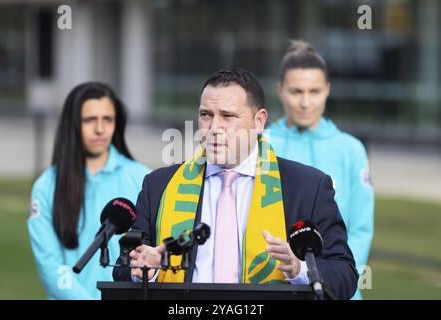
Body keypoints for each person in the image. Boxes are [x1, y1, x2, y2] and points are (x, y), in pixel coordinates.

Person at [113, 69, 358, 300]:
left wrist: (300, 269)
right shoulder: (158, 186)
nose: (214, 128)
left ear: (259, 121)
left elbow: (344, 276)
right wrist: (148, 269)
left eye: (228, 116)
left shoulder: (308, 187)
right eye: (205, 115)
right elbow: (122, 271)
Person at [268, 40, 374, 300]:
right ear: (280, 90)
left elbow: (360, 229)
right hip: (275, 285)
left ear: (327, 90)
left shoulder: (351, 149)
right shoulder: (262, 143)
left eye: (314, 91)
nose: (305, 102)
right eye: (296, 91)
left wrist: (334, 280)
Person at [27, 82, 150, 299]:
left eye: (107, 119)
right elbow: (51, 268)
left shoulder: (144, 180)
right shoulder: (46, 187)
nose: (100, 129)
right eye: (89, 120)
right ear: (73, 124)